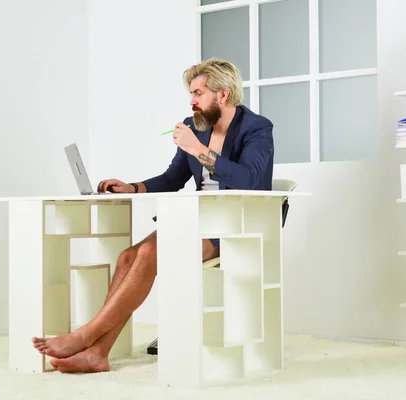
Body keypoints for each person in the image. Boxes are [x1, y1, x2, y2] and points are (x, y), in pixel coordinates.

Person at [31, 58, 275, 373]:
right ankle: (98, 354)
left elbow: (246, 179)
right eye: (191, 94)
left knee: (148, 252)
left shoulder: (257, 128)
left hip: (238, 224)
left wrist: (196, 149)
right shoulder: (195, 127)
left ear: (223, 95)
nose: (192, 101)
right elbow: (173, 179)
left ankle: (86, 335)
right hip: (198, 218)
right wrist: (131, 187)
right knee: (128, 257)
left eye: (198, 93)